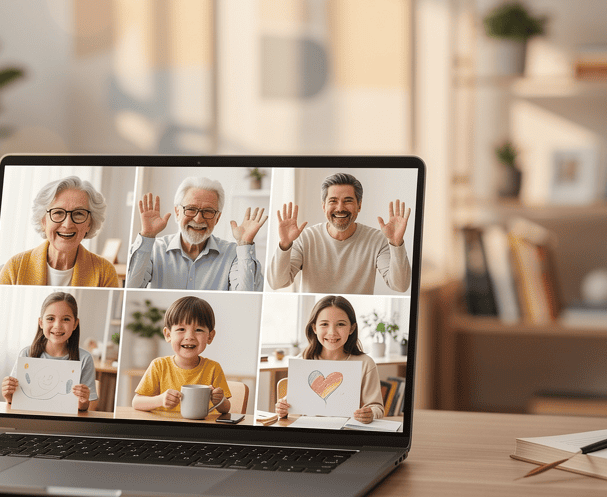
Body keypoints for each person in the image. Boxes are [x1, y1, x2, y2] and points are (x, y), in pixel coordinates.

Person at [267, 173, 411, 295]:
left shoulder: (377, 240)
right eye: (333, 201)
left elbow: (400, 286)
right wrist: (284, 244)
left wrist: (396, 243)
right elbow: (276, 283)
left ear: (359, 205)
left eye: (348, 201)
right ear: (324, 206)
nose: (340, 208)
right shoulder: (305, 238)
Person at [126, 176, 267, 291]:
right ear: (177, 212)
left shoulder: (233, 253)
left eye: (208, 211)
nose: (198, 219)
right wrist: (147, 236)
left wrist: (244, 244)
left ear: (217, 218)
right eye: (191, 209)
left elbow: (244, 298)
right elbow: (131, 289)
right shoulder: (154, 248)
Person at [276, 295, 384, 423]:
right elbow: (292, 405)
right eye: (324, 324)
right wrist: (283, 409)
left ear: (352, 328)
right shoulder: (302, 361)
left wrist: (370, 413)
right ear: (314, 328)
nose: (332, 332)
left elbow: (377, 407)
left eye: (340, 324)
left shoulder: (366, 364)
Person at [0, 176, 119, 287]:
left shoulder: (105, 272)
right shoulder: (15, 267)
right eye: (58, 212)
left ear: (90, 223)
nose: (67, 224)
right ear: (43, 221)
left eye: (79, 214)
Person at [132, 295, 231, 415]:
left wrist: (220, 400)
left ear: (210, 336)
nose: (189, 337)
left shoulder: (213, 368)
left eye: (198, 330)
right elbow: (136, 402)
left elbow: (226, 409)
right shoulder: (159, 365)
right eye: (181, 329)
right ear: (168, 335)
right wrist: (160, 400)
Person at [1, 292, 98, 411]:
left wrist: (83, 401)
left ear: (75, 324)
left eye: (66, 319)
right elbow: (14, 400)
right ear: (41, 323)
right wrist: (8, 395)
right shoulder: (26, 354)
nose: (57, 325)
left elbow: (84, 407)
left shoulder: (84, 358)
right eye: (51, 318)